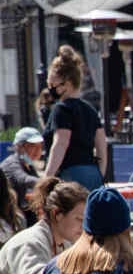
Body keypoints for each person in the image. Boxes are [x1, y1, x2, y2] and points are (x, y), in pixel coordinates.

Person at [42, 45, 107, 191]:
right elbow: (102, 145)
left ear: (68, 83)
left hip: (70, 176)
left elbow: (61, 143)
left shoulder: (62, 109)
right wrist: (100, 173)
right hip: (93, 174)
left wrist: (46, 178)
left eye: (53, 84)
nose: (50, 88)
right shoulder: (90, 109)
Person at [1, 127, 43, 227]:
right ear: (20, 147)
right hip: (8, 216)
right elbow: (24, 179)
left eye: (40, 146)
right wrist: (46, 181)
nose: (38, 150)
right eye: (32, 146)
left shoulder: (29, 166)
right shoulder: (11, 163)